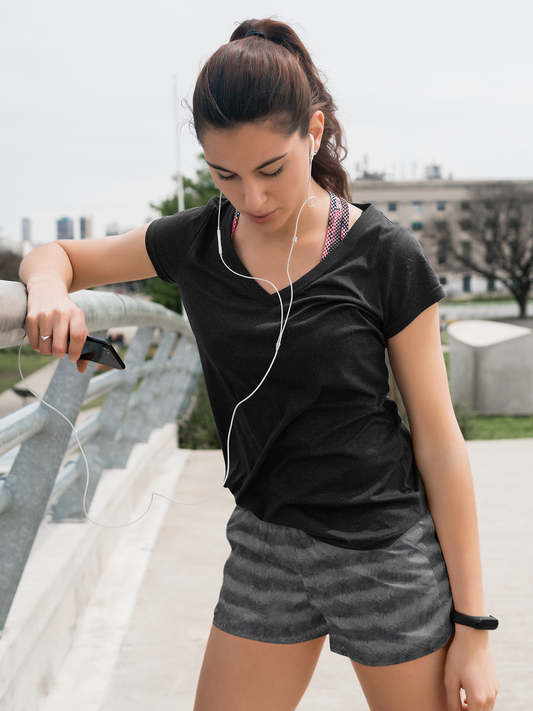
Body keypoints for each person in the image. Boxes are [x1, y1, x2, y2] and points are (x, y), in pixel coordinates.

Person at [20, 18, 499, 711]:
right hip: (264, 546)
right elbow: (58, 257)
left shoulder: (383, 254)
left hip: (384, 551)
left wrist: (473, 629)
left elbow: (438, 440)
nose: (252, 198)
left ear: (313, 129)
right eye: (225, 175)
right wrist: (44, 291)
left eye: (270, 169)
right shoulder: (196, 240)